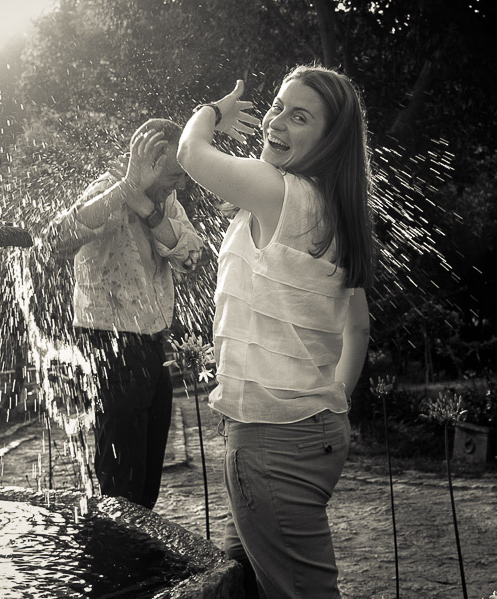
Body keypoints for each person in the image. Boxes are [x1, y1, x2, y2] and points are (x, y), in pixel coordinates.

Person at [178, 65, 373, 598]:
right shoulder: (336, 210)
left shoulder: (280, 193)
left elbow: (190, 152)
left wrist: (212, 112)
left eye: (300, 116)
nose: (277, 121)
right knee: (238, 583)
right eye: (278, 106)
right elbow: (358, 327)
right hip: (311, 433)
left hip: (271, 442)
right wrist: (330, 401)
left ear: (330, 140)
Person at [43, 118, 204, 509]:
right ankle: (113, 545)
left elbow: (192, 257)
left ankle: (133, 540)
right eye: (174, 175)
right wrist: (126, 189)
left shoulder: (165, 200)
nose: (181, 184)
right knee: (122, 481)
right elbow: (54, 239)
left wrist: (147, 209)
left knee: (147, 476)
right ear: (147, 162)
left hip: (152, 343)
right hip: (111, 344)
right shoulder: (106, 189)